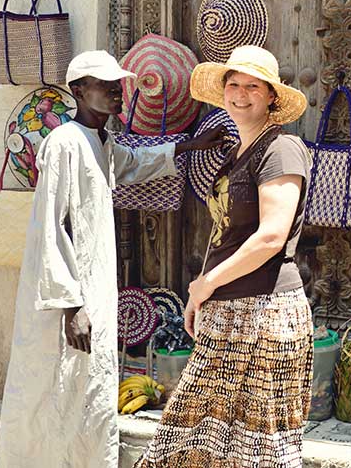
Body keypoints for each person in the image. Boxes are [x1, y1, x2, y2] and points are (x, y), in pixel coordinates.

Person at [0, 50, 223, 468]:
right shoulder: (64, 143)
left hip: (90, 289)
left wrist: (189, 145)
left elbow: (135, 162)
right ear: (79, 91)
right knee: (53, 386)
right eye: (106, 86)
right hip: (66, 300)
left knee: (83, 387)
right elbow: (50, 228)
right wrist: (71, 305)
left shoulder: (100, 141)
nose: (117, 93)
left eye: (119, 86)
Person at [134, 45, 314, 468]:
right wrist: (201, 295)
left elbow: (271, 236)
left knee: (257, 449)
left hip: (263, 313)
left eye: (252, 85)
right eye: (232, 84)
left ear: (271, 95)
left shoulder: (281, 149)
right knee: (203, 443)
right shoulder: (239, 152)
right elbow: (226, 235)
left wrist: (206, 284)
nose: (239, 93)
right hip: (230, 310)